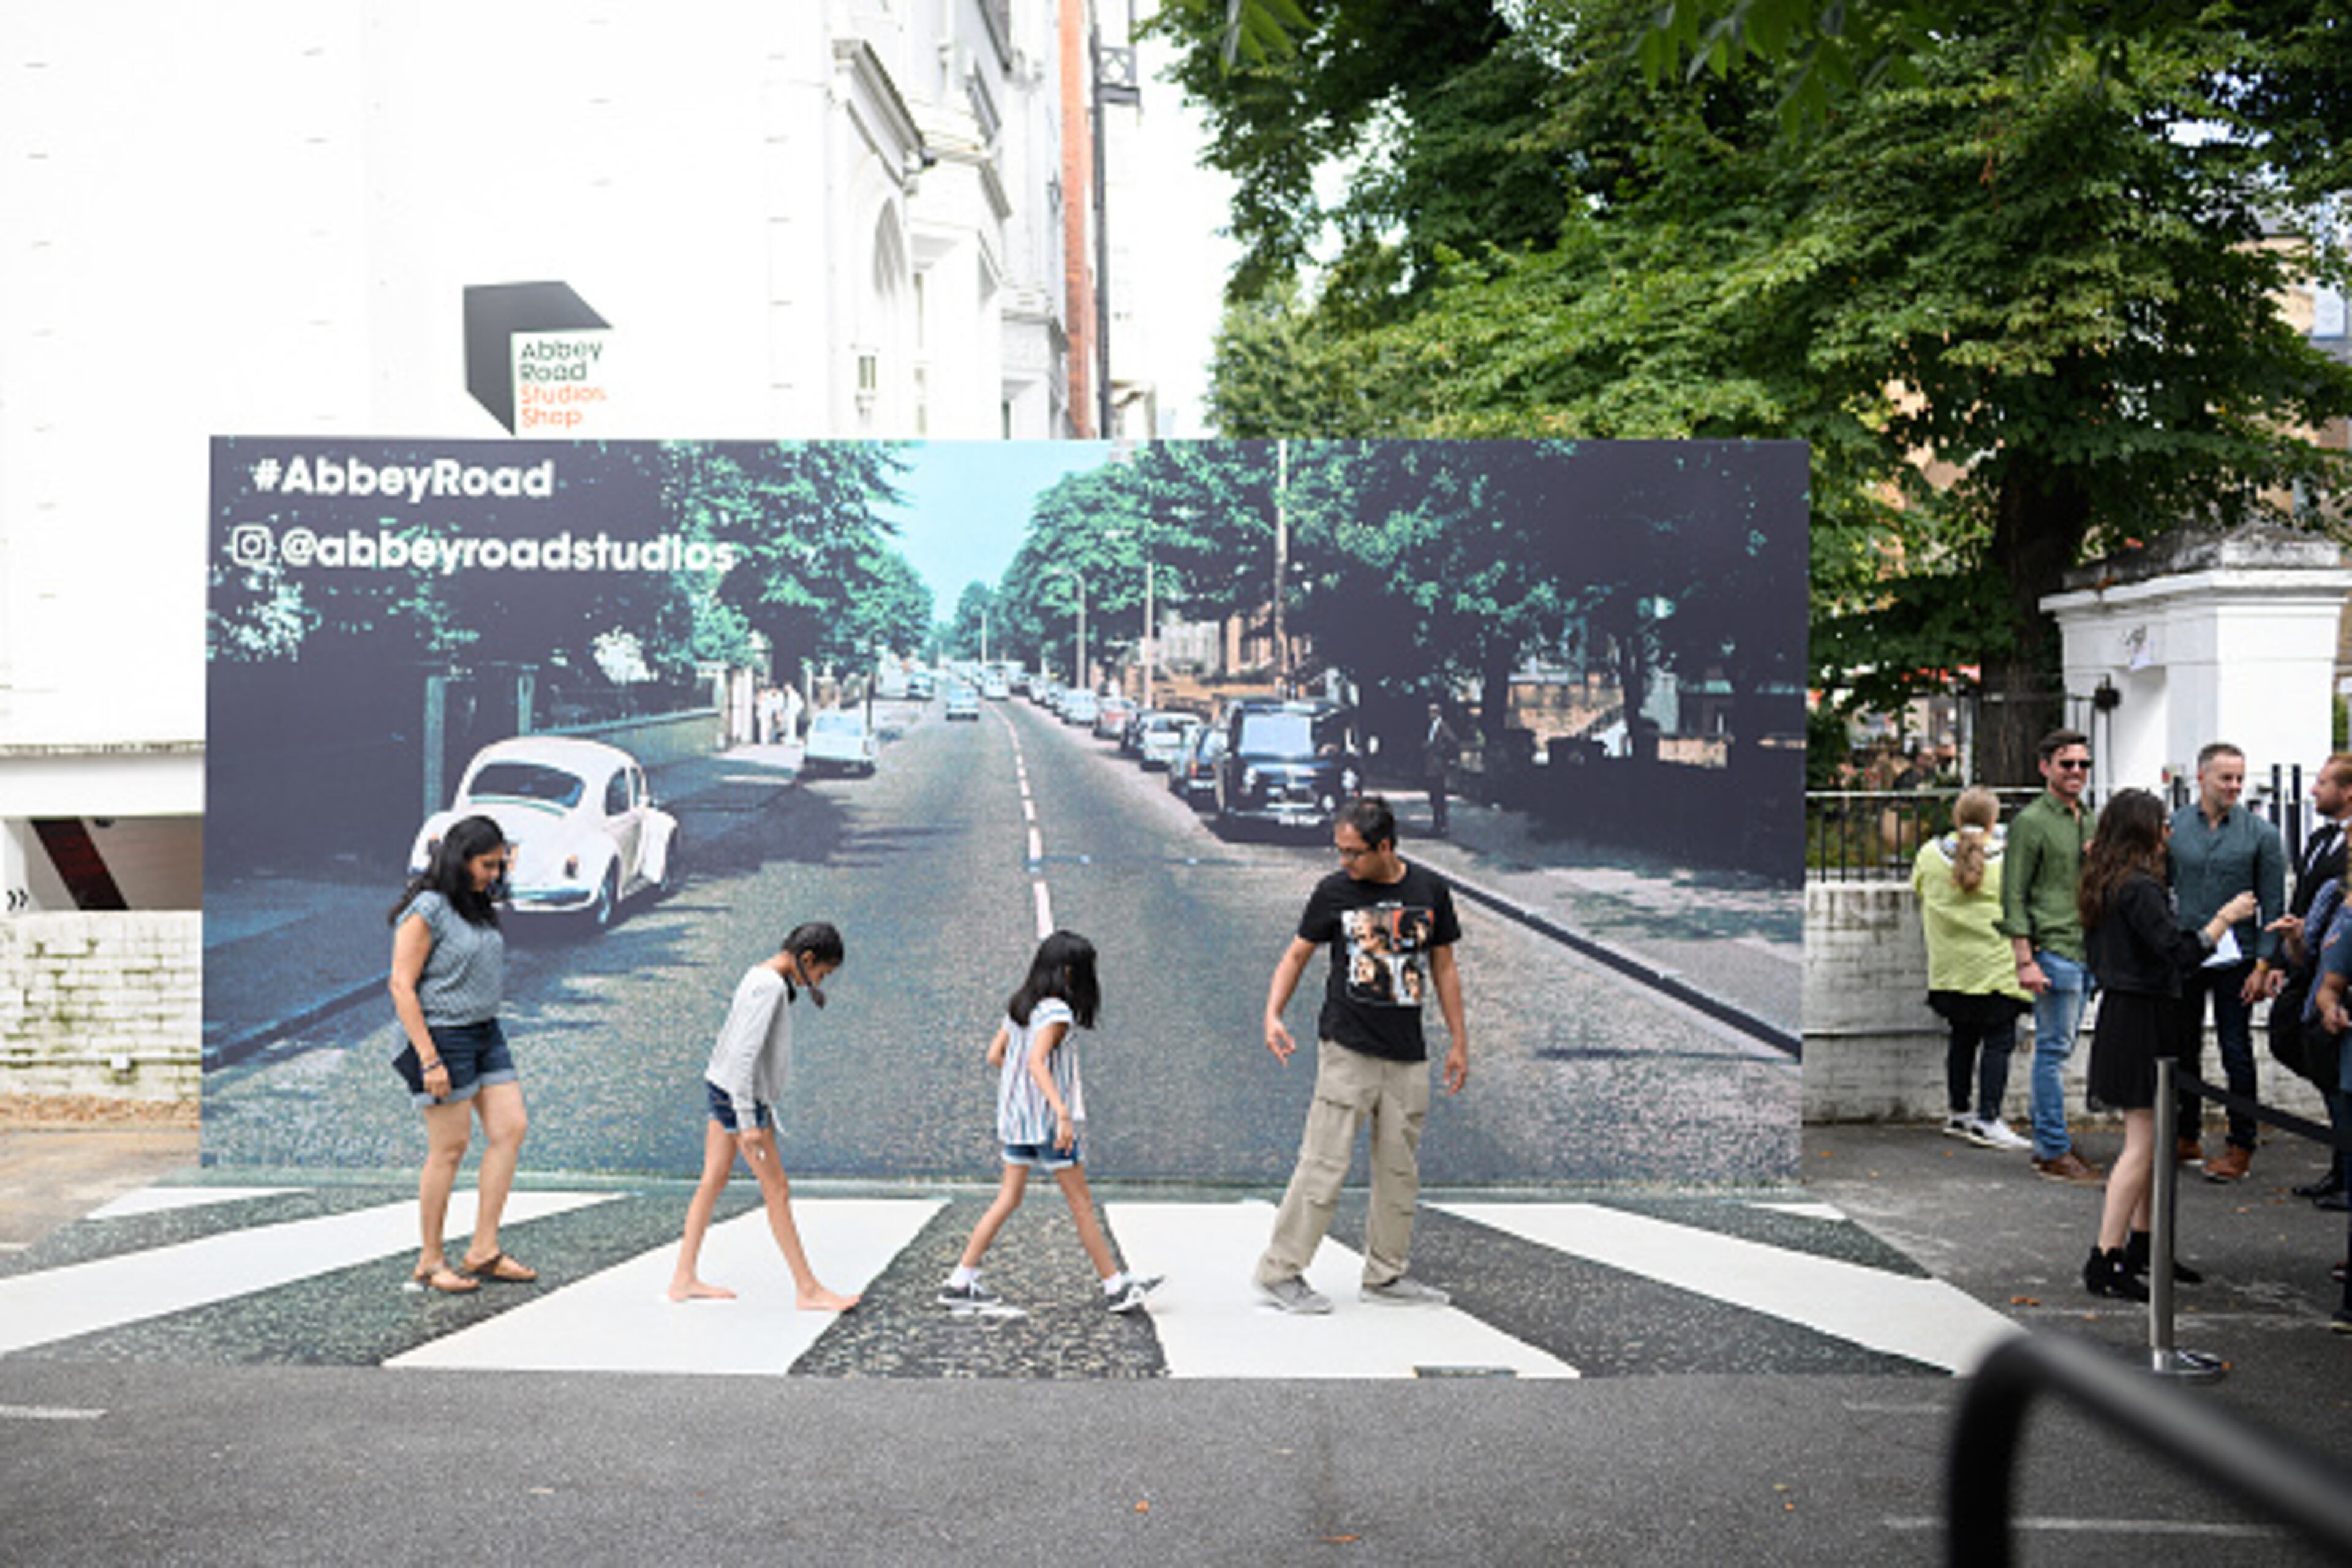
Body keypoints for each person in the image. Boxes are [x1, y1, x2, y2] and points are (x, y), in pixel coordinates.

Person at [1255, 794, 1468, 1313]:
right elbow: (1297, 953)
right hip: (1347, 1048)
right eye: (1340, 851)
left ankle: (1386, 1276)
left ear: (1386, 846)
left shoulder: (1429, 889)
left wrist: (1460, 1041)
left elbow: (1444, 968)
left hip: (1407, 1053)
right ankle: (1280, 1272)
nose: (1345, 862)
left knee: (1399, 1172)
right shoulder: (1334, 892)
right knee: (1323, 1165)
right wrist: (1273, 1013)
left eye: (1354, 853)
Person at [2078, 789, 2259, 1300]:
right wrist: (2223, 920)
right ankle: (2106, 1258)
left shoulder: (2108, 882)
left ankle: (2141, 1246)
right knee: (2142, 1143)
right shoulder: (2137, 888)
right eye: (2160, 824)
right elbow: (2177, 951)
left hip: (2130, 1011)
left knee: (2152, 1140)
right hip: (2142, 1016)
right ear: (2143, 831)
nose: (2169, 832)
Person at [936, 931, 1161, 1314]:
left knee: (1009, 1198)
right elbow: (1037, 1061)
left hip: (1016, 1120)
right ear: (1071, 972)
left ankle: (960, 1280)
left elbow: (996, 1055)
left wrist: (1022, 1091)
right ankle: (1114, 1287)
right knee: (1081, 1204)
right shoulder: (1057, 1013)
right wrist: (1060, 1111)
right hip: (1046, 1124)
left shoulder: (1022, 1005)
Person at [669, 923, 859, 1310]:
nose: (817, 983)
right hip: (741, 1099)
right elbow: (743, 1055)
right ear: (806, 959)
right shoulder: (770, 988)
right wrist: (748, 1123)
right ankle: (808, 1290)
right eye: (821, 974)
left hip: (722, 1088)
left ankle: (683, 1278)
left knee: (713, 1180)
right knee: (777, 1190)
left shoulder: (759, 974)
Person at [387, 814, 535, 1294]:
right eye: (487, 865)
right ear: (462, 858)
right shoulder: (428, 909)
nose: (495, 874)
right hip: (441, 1036)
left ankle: (483, 1251)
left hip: (484, 1031)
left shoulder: (475, 905)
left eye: (499, 865)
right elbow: (401, 986)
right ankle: (430, 1260)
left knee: (510, 1128)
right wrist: (429, 1058)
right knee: (449, 1150)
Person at [2168, 742, 2286, 1183]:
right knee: (2182, 1047)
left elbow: (2274, 904)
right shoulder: (2174, 827)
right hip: (2187, 951)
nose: (2235, 786)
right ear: (2201, 777)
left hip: (2239, 959)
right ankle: (2185, 1135)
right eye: (2226, 777)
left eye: (2240, 777)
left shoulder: (2262, 834)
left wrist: (2264, 966)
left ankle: (2241, 1144)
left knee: (2236, 1049)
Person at [1997, 728, 2105, 1184]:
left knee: (2062, 1051)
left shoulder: (2091, 818)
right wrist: (2025, 959)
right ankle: (2052, 1150)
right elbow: (2013, 895)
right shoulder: (2031, 822)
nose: (2077, 772)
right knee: (2053, 1053)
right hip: (2054, 951)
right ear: (2045, 768)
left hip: (2087, 949)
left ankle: (2054, 1142)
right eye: (2068, 764)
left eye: (2084, 764)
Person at [1910, 788, 2035, 1151]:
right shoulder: (2008, 858)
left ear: (1956, 816)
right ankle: (1989, 1118)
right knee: (1999, 1042)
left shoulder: (1930, 855)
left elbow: (1919, 889)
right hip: (1996, 970)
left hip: (1949, 972)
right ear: (1994, 820)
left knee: (1962, 1038)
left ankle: (1959, 1112)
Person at [2272, 755, 2352, 1206]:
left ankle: (2345, 1173)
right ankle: (2341, 1166)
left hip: (2335, 966)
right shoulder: (2320, 838)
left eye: (2323, 783)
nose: (2314, 791)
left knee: (2338, 1074)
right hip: (2308, 964)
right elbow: (2303, 897)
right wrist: (2286, 953)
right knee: (2292, 1042)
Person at [1422, 702, 1461, 837]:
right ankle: (1436, 825)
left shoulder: (1443, 726)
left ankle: (1442, 825)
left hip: (1438, 767)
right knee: (1434, 797)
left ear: (1438, 713)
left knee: (1439, 797)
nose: (1430, 715)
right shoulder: (1432, 727)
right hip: (1432, 766)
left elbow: (1453, 741)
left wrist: (1445, 757)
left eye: (1432, 712)